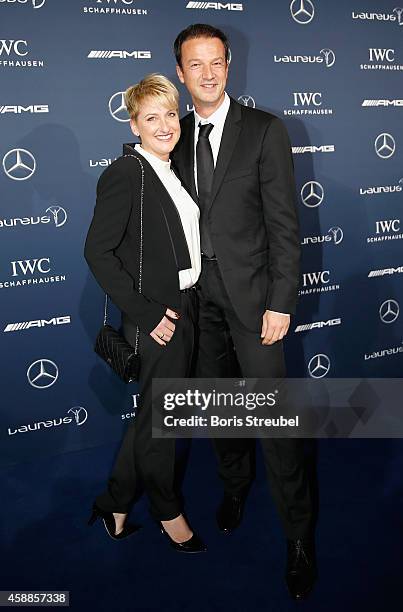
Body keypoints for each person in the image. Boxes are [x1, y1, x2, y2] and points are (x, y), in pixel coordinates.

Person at [171, 24, 316, 596]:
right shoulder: (173, 136)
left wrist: (282, 300)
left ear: (228, 66)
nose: (207, 73)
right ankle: (235, 485)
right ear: (180, 74)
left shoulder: (264, 130)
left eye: (216, 62)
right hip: (197, 302)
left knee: (276, 423)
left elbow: (285, 225)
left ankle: (299, 535)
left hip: (257, 303)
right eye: (195, 64)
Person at [84, 73, 206, 553]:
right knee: (163, 422)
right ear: (134, 123)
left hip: (186, 306)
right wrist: (147, 313)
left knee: (154, 415)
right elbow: (97, 252)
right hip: (158, 315)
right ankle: (167, 511)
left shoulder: (169, 170)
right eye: (151, 117)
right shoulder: (127, 172)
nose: (164, 125)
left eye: (170, 114)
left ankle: (114, 503)